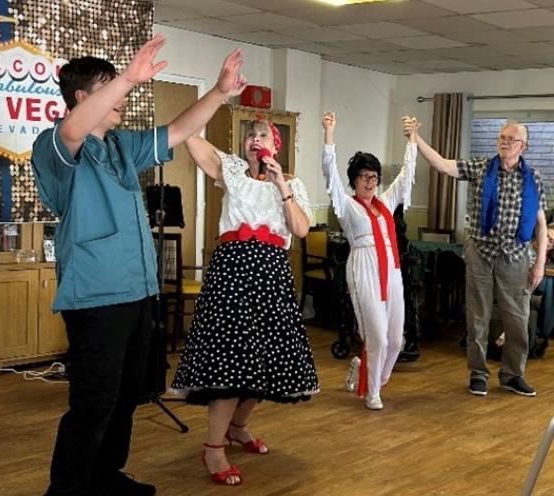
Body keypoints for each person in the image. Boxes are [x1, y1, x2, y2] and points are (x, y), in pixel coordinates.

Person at [31, 34, 247, 496]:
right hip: (95, 300)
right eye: (113, 91)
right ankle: (67, 489)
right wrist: (128, 77)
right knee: (94, 402)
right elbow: (72, 131)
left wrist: (219, 92)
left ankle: (106, 478)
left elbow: (177, 132)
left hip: (137, 293)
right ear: (83, 97)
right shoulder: (56, 145)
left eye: (123, 90)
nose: (123, 100)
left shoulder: (120, 146)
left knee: (128, 395)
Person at [171, 119, 319, 486]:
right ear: (243, 144)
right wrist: (213, 98)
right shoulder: (232, 170)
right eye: (250, 136)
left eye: (262, 135)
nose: (255, 140)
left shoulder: (292, 184)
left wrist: (281, 184)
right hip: (233, 272)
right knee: (230, 363)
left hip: (270, 275)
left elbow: (300, 230)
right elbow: (190, 136)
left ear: (276, 145)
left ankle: (238, 427)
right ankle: (213, 447)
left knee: (267, 362)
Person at [404, 117, 548, 397]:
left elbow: (541, 225)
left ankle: (512, 375)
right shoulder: (481, 167)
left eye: (511, 139)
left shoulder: (534, 180)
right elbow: (442, 164)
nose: (504, 142)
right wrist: (415, 137)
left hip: (516, 257)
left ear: (524, 146)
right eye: (502, 137)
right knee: (477, 318)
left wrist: (539, 263)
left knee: (517, 320)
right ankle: (478, 373)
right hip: (480, 253)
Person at [321, 112, 418, 410]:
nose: (370, 181)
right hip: (363, 268)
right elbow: (330, 175)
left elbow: (405, 177)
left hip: (391, 269)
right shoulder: (348, 207)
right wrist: (329, 134)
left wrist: (411, 140)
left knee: (395, 340)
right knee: (376, 336)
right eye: (364, 177)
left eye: (374, 177)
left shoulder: (385, 203)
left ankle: (368, 373)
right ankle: (372, 392)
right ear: (355, 180)